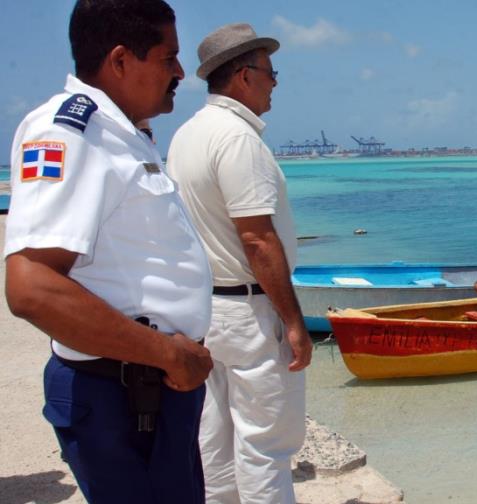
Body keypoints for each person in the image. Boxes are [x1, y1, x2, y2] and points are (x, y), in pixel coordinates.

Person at [3, 1, 213, 502]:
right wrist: (167, 353)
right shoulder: (69, 131)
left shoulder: (125, 133)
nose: (181, 72)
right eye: (168, 58)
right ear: (120, 61)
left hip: (151, 392)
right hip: (122, 395)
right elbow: (31, 285)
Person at [166, 23, 312, 504]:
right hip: (250, 312)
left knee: (216, 440)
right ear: (244, 76)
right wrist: (293, 320)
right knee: (266, 447)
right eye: (271, 73)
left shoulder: (186, 136)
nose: (275, 83)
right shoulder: (239, 139)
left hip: (206, 309)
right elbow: (257, 239)